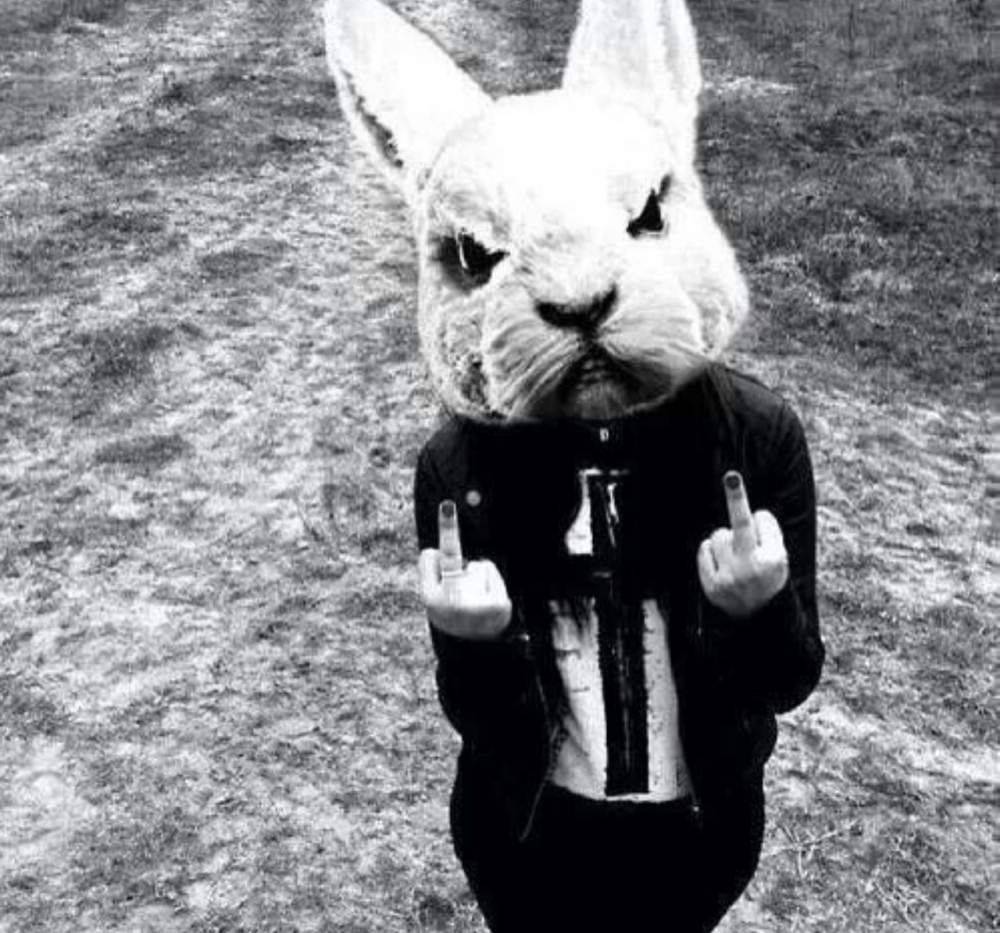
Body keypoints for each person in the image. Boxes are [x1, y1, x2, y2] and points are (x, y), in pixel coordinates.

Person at [415, 363, 824, 932]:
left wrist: (759, 610)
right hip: (525, 844)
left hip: (698, 845)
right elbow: (478, 718)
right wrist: (478, 646)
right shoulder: (461, 459)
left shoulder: (757, 435)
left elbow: (787, 681)